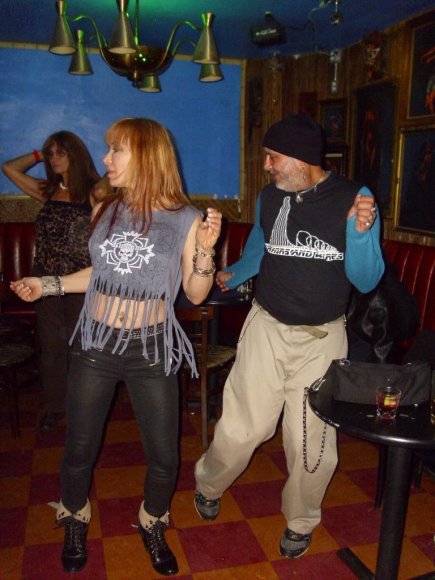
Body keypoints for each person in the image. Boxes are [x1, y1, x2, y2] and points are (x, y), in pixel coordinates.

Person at [11, 117, 222, 576]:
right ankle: (74, 515)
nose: (105, 159)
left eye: (116, 150)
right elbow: (101, 275)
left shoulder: (187, 217)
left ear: (146, 155)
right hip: (97, 344)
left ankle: (151, 520)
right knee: (79, 446)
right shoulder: (104, 209)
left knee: (165, 456)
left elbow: (198, 291)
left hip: (150, 348)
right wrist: (46, 284)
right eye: (108, 150)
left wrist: (206, 248)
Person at [194, 114, 385, 560]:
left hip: (321, 339)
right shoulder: (270, 196)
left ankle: (301, 519)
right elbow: (261, 247)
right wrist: (234, 272)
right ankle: (209, 482)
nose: (266, 166)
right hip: (266, 326)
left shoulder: (354, 199)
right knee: (244, 427)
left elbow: (366, 278)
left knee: (311, 441)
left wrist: (360, 237)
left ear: (301, 158)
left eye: (273, 157)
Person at [2, 131, 103, 432]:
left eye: (61, 152)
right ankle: (54, 405)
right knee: (51, 345)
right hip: (43, 277)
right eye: (52, 154)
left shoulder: (94, 192)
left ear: (76, 155)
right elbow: (8, 168)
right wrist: (37, 154)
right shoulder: (47, 190)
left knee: (79, 345)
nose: (55, 158)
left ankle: (82, 405)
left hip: (78, 280)